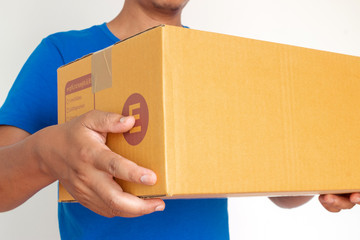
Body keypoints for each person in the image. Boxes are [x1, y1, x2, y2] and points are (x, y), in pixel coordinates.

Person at [0, 0, 358, 239]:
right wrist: (46, 153)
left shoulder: (218, 59)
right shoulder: (61, 55)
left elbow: (278, 188)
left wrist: (326, 170)